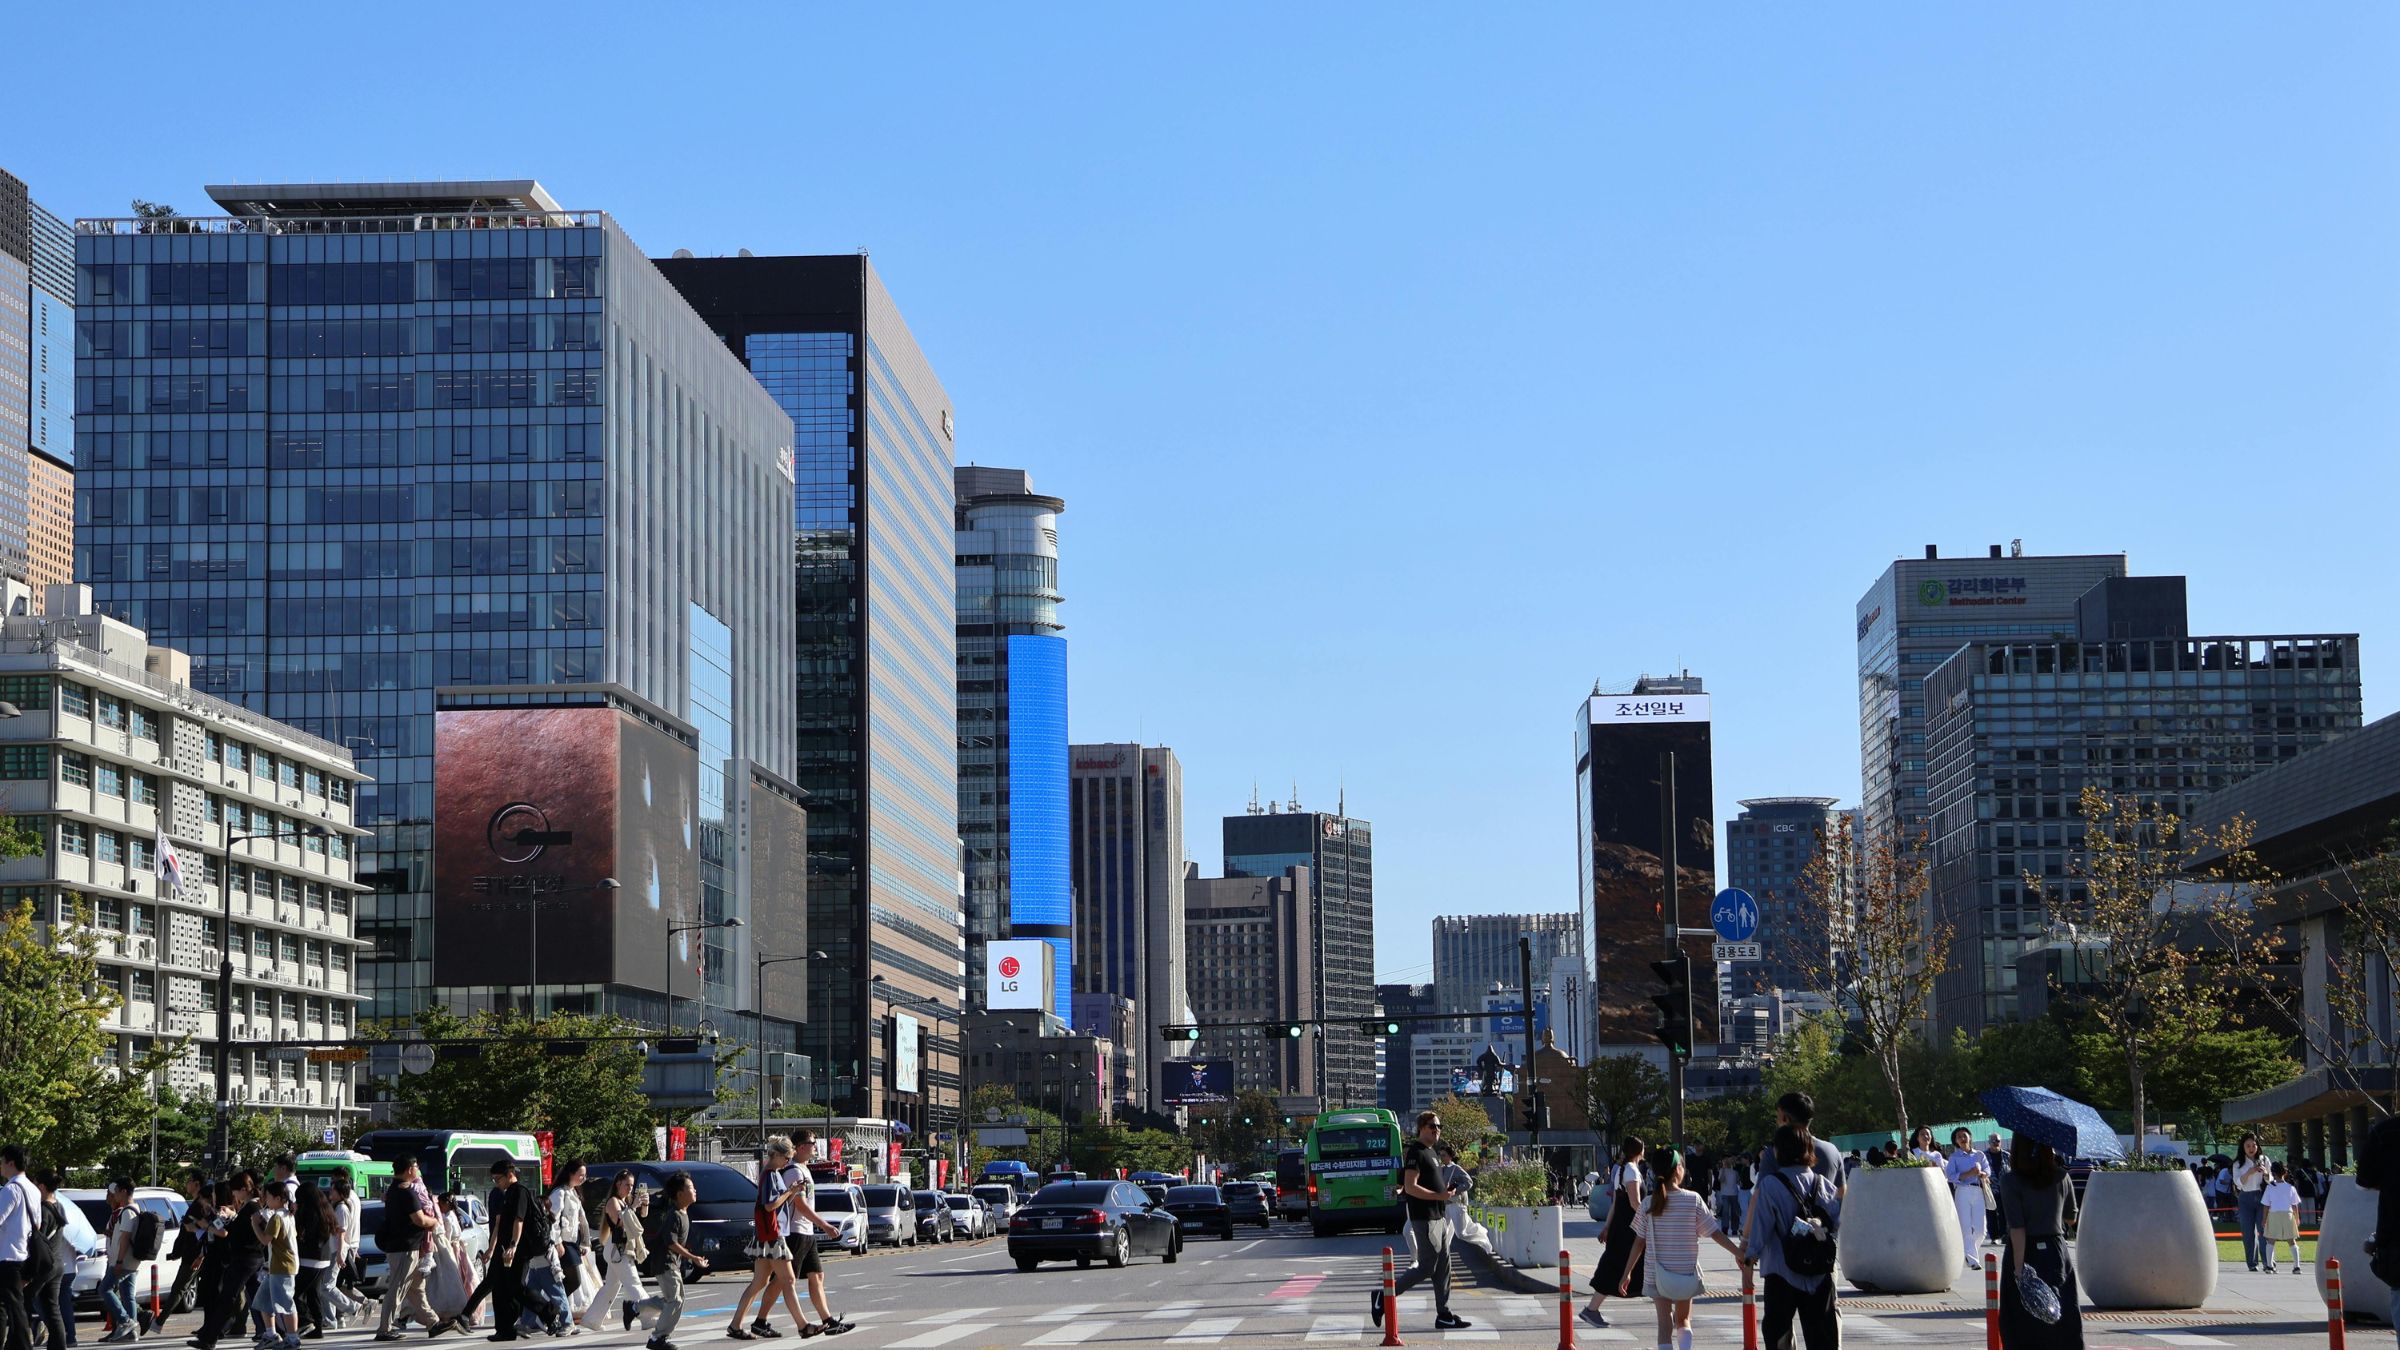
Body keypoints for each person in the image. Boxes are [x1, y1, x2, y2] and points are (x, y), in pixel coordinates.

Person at [1616, 1148, 1743, 1350]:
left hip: (1655, 1272)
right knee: (1683, 1320)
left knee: (1664, 1325)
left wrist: (1627, 1273)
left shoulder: (1648, 1203)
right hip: (1685, 1270)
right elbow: (1715, 1233)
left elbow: (1639, 1242)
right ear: (1678, 1170)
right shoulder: (1693, 1200)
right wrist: (1739, 1253)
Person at [1745, 1125, 1841, 1350]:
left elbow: (1762, 1228)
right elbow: (1835, 1225)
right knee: (1822, 1338)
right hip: (1819, 1273)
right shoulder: (1824, 1185)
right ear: (1809, 1149)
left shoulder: (1771, 1184)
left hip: (1781, 1272)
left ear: (1779, 1151)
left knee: (1779, 1335)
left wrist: (1750, 1259)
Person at [1374, 1111, 1468, 1332]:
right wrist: (1438, 1196)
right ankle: (1383, 1295)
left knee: (1444, 1267)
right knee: (1427, 1266)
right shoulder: (1416, 1152)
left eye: (1438, 1126)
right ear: (1421, 1128)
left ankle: (1444, 1314)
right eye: (1432, 1126)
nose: (1436, 1130)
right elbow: (1410, 1186)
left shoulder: (1432, 1153)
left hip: (1438, 1216)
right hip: (1424, 1218)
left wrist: (1445, 1192)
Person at [1996, 1137, 2081, 1349]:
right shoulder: (2061, 1176)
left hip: (2024, 1251)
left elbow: (2017, 1228)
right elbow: (2071, 1218)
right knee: (2062, 1312)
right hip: (2055, 1248)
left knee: (2021, 1317)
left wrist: (2019, 1270)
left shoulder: (2010, 1180)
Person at [633, 1174, 705, 1350]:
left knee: (672, 1300)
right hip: (664, 1263)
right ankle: (657, 1338)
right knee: (675, 1301)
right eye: (690, 1187)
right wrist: (693, 1257)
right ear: (680, 1194)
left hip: (670, 1263)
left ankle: (635, 1308)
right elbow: (670, 1242)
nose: (694, 1190)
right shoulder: (675, 1215)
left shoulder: (683, 1213)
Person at [193, 1171, 263, 1350]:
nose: (234, 1195)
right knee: (258, 1297)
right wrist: (231, 1218)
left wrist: (229, 1221)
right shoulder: (251, 1207)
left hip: (245, 1258)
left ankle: (209, 1338)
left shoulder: (252, 1208)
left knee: (227, 1297)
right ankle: (271, 1331)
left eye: (236, 1191)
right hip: (251, 1258)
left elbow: (238, 1233)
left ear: (244, 1190)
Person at [1581, 1137, 1646, 1329]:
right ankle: (1670, 1309)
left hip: (1621, 1224)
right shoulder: (1632, 1171)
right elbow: (1634, 1203)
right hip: (1630, 1226)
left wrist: (1608, 1226)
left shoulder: (1620, 1171)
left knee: (1615, 1263)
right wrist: (1648, 1220)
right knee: (1633, 1262)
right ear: (1639, 1150)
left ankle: (1592, 1309)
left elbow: (1616, 1203)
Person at [372, 1157, 437, 1341]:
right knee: (397, 1288)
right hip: (404, 1247)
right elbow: (420, 1220)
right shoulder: (406, 1191)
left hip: (404, 1246)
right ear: (409, 1169)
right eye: (416, 1166)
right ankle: (384, 1329)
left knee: (416, 1288)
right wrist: (434, 1222)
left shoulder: (393, 1190)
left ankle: (433, 1322)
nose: (417, 1170)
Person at [577, 1175, 647, 1333]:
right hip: (617, 1249)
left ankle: (591, 1320)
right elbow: (620, 1222)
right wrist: (633, 1207)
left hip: (621, 1248)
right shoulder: (613, 1202)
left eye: (632, 1185)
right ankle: (650, 1316)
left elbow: (639, 1219)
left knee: (611, 1287)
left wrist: (644, 1205)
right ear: (618, 1184)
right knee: (634, 1283)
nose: (630, 1188)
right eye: (626, 1185)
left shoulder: (625, 1202)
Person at [154, 1169, 214, 1337]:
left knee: (180, 1288)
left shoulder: (200, 1206)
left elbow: (204, 1234)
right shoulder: (196, 1204)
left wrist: (200, 1256)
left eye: (189, 1180)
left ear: (196, 1184)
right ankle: (214, 1325)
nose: (186, 1183)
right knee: (187, 1288)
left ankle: (158, 1322)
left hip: (194, 1255)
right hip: (190, 1253)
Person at [1, 1145, 43, 1350]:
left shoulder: (11, 1189)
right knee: (10, 1304)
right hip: (25, 1254)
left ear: (10, 1162)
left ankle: (23, 1345)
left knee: (13, 1306)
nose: (0, 1166)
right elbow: (38, 1223)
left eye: (2, 1161)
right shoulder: (33, 1189)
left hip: (8, 1256)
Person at [29, 1171, 77, 1350]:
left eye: (35, 1184)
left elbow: (37, 1239)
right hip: (57, 1263)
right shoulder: (59, 1206)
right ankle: (59, 1346)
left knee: (22, 1302)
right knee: (53, 1310)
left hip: (43, 1265)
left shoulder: (42, 1210)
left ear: (41, 1186)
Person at [253, 1177, 301, 1350]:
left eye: (269, 1197)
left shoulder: (277, 1218)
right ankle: (271, 1334)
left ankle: (293, 1337)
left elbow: (266, 1240)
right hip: (277, 1265)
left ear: (279, 1199)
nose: (266, 1200)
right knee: (263, 1300)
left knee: (286, 1303)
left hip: (283, 1266)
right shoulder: (287, 1215)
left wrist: (255, 1225)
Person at [296, 1185, 342, 1338]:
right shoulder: (325, 1211)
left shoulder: (308, 1213)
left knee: (295, 1294)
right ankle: (317, 1327)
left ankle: (306, 1322)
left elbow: (307, 1237)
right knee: (313, 1293)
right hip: (323, 1258)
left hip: (309, 1259)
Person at [545, 1165, 590, 1321]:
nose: (583, 1178)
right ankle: (551, 1309)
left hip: (572, 1241)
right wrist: (557, 1242)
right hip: (563, 1242)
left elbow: (582, 1220)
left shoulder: (573, 1192)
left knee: (565, 1281)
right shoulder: (559, 1193)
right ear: (571, 1173)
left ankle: (557, 1313)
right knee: (573, 1280)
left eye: (585, 1175)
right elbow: (552, 1220)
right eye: (581, 1174)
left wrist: (585, 1242)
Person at [98, 1179, 140, 1344]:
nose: (114, 1195)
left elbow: (125, 1238)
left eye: (116, 1191)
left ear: (123, 1191)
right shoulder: (134, 1209)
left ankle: (125, 1321)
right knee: (128, 1295)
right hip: (131, 1261)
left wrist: (119, 1261)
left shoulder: (127, 1212)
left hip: (123, 1261)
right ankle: (131, 1333)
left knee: (104, 1289)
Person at [1436, 1145, 1496, 1258]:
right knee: (1445, 1232)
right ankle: (1443, 1256)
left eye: (1444, 1155)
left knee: (1462, 1233)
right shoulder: (1442, 1169)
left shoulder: (1456, 1168)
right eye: (1441, 1155)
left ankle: (1482, 1236)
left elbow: (1469, 1183)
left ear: (1450, 1156)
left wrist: (1456, 1189)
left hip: (1457, 1204)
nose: (1441, 1157)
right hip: (1446, 1204)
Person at [1944, 1128, 1989, 1272]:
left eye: (1964, 1135)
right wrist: (1969, 1173)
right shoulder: (1954, 1157)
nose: (1962, 1138)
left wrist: (1981, 1174)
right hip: (1962, 1191)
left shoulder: (1979, 1155)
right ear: (1956, 1141)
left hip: (1978, 1190)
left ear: (1970, 1137)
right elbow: (1950, 1176)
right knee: (1966, 1227)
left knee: (1981, 1230)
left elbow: (1987, 1170)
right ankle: (1973, 1260)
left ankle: (1967, 1252)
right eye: (1959, 1137)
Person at [2228, 1133, 2270, 1272]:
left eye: (2254, 1145)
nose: (2251, 1148)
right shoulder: (2238, 1163)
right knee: (2248, 1232)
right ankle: (2252, 1263)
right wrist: (2250, 1172)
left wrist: (2265, 1173)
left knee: (2264, 1230)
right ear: (2243, 1147)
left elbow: (2271, 1181)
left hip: (2262, 1196)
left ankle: (2268, 1262)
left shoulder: (2264, 1159)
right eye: (2248, 1146)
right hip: (2245, 1197)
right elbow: (2238, 1183)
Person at [2261, 1162, 2302, 1275]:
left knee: (2271, 1241)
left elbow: (2266, 1205)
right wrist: (2297, 1218)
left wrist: (2264, 1219)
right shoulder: (2290, 1187)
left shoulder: (2270, 1187)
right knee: (2292, 1241)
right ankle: (2297, 1266)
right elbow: (2295, 1205)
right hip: (2288, 1215)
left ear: (2273, 1174)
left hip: (2274, 1214)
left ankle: (2269, 1266)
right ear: (2285, 1173)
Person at [1984, 1137, 2011, 1244]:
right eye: (1993, 1141)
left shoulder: (2007, 1155)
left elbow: (2012, 1170)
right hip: (1990, 1189)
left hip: (2005, 1189)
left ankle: (2004, 1234)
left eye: (1998, 1141)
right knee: (1991, 1213)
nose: (1995, 1143)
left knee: (2004, 1213)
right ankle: (1994, 1236)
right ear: (1989, 1142)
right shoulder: (1984, 1156)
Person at [1713, 1156, 1745, 1234]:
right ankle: (1725, 1227)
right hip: (1725, 1194)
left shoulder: (1735, 1171)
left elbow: (1738, 1181)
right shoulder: (1722, 1170)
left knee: (1735, 1212)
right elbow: (1721, 1180)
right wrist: (1723, 1168)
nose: (1728, 1162)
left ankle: (1735, 1229)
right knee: (1725, 1211)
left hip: (1734, 1193)